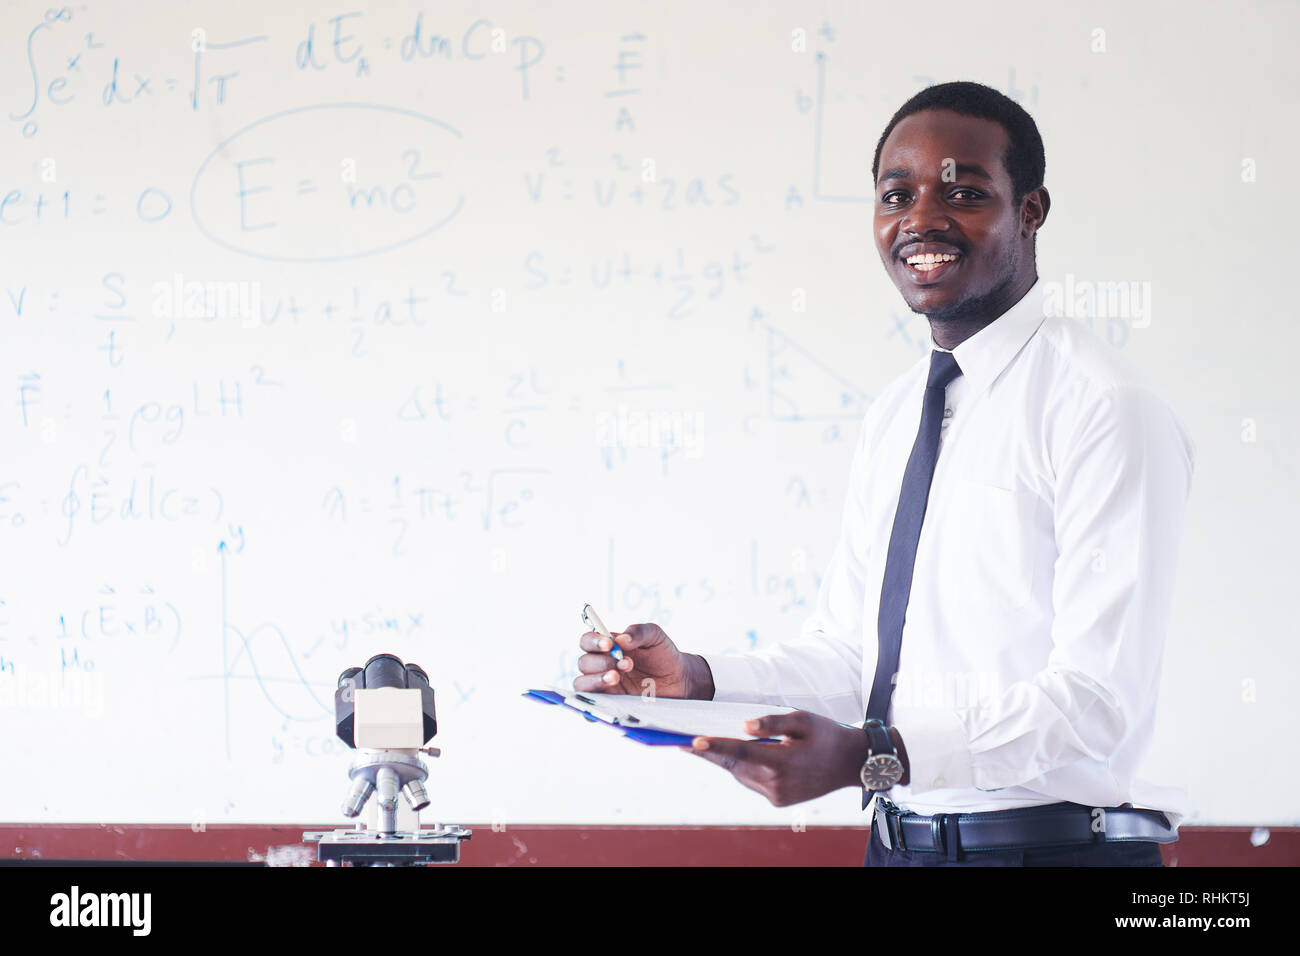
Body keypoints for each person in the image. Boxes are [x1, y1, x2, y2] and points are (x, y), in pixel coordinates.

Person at [574, 81, 1195, 867]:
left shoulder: (1104, 408)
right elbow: (853, 662)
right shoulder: (899, 413)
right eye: (895, 194)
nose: (921, 220)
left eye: (964, 191)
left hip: (1047, 852)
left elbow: (1096, 704)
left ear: (1031, 211)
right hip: (896, 848)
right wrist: (694, 680)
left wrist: (877, 755)